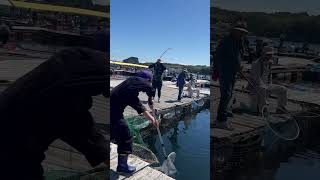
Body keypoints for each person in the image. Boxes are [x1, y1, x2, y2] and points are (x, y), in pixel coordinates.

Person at [0, 48, 109, 180]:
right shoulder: (62, 96)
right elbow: (79, 128)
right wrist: (106, 156)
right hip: (13, 152)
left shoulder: (62, 70)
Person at [110, 70, 159, 174]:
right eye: (149, 82)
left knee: (113, 132)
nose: (148, 84)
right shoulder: (134, 80)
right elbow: (150, 88)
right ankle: (122, 167)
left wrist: (152, 119)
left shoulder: (129, 89)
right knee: (125, 136)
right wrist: (151, 98)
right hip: (112, 113)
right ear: (147, 80)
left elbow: (140, 107)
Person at [215, 23, 248, 130]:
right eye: (239, 32)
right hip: (225, 72)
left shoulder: (239, 42)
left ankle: (225, 111)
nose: (241, 34)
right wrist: (219, 70)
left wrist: (239, 67)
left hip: (233, 72)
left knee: (229, 94)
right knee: (226, 94)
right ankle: (221, 120)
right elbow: (218, 56)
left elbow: (237, 57)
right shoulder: (226, 41)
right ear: (234, 31)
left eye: (243, 32)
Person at [248, 46, 288, 113]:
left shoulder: (270, 63)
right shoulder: (256, 63)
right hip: (255, 85)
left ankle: (280, 108)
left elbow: (269, 76)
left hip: (267, 84)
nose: (269, 56)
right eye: (267, 55)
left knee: (283, 89)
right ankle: (262, 109)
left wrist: (270, 85)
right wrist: (264, 86)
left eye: (270, 55)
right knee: (263, 89)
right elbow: (257, 78)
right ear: (263, 54)